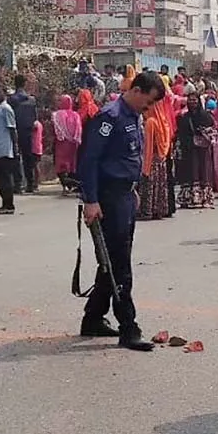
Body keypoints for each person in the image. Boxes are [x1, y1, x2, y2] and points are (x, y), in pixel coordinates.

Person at [78, 70, 168, 352]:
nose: (149, 107)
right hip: (108, 197)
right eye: (149, 101)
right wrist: (91, 200)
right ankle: (129, 327)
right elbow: (89, 161)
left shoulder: (133, 116)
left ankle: (92, 318)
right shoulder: (110, 117)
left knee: (113, 259)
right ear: (138, 90)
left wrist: (132, 189)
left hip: (125, 195)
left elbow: (129, 157)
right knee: (120, 265)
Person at [175, 91, 217, 209]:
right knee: (189, 172)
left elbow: (212, 131)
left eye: (194, 100)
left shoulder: (205, 116)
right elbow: (180, 133)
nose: (192, 102)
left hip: (202, 150)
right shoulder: (184, 117)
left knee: (203, 171)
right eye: (190, 100)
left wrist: (203, 132)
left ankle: (204, 198)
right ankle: (189, 198)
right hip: (188, 149)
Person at [137, 90, 173, 221]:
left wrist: (144, 165)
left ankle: (147, 210)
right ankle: (158, 210)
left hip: (151, 159)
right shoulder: (164, 121)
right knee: (160, 186)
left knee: (149, 185)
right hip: (161, 160)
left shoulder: (151, 122)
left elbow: (148, 145)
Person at [0, 87, 19, 215]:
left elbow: (12, 129)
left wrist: (15, 149)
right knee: (0, 179)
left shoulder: (6, 109)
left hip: (6, 149)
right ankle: (4, 204)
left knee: (5, 178)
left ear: (4, 94)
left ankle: (9, 204)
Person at [8, 75, 39, 193]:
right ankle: (30, 184)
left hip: (15, 131)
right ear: (24, 84)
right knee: (28, 158)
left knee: (16, 157)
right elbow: (35, 117)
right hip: (28, 131)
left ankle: (18, 184)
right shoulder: (31, 100)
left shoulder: (11, 100)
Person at [51, 95, 82, 194]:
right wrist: (76, 139)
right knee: (71, 163)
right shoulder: (76, 115)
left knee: (61, 163)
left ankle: (66, 185)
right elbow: (79, 130)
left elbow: (56, 130)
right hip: (73, 144)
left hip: (61, 143)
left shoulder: (57, 115)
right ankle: (71, 184)